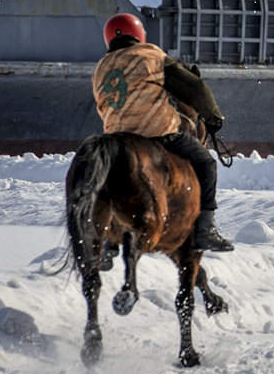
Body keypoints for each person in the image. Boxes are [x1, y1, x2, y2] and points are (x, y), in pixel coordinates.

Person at [93, 13, 233, 252]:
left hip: (115, 138)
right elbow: (194, 88)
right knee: (206, 163)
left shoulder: (101, 68)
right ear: (139, 35)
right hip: (156, 133)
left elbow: (102, 104)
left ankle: (108, 239)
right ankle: (205, 230)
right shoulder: (151, 56)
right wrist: (213, 118)